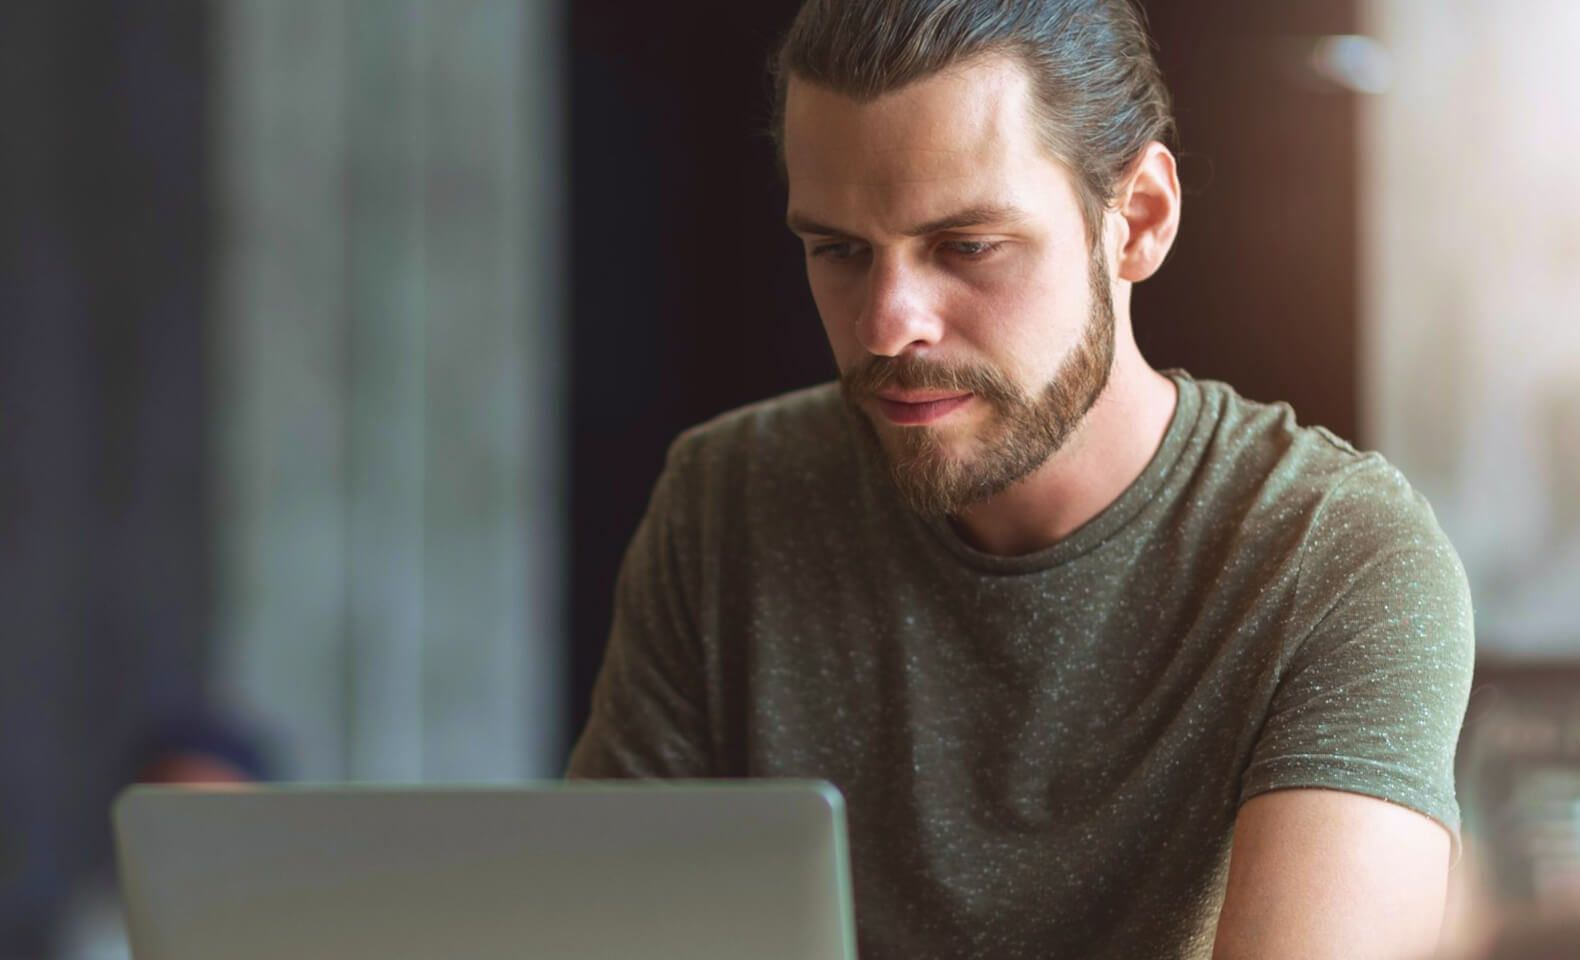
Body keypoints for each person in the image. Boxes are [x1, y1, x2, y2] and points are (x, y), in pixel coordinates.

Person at [568, 1, 1475, 957]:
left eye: (967, 247)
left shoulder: (1334, 558)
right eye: (839, 250)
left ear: (1139, 223)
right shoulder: (727, 499)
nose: (888, 326)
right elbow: (591, 927)